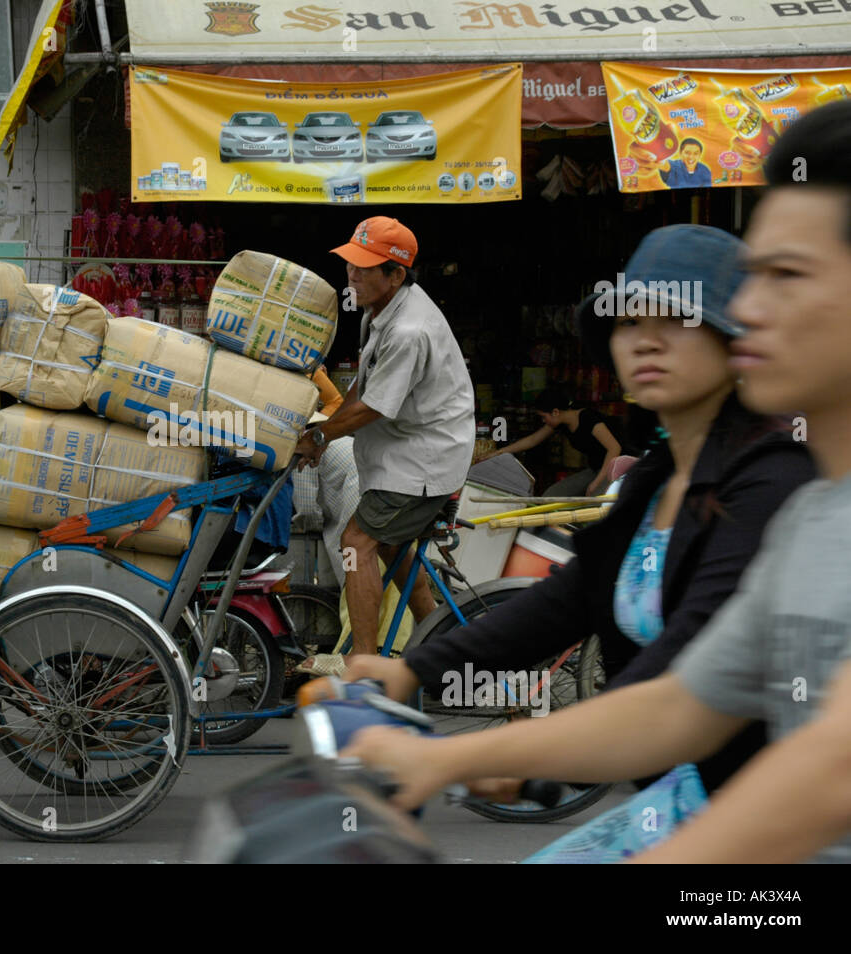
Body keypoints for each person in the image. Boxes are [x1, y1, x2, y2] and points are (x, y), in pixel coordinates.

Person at [345, 101, 851, 862]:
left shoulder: (774, 486)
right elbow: (675, 697)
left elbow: (824, 778)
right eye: (628, 317)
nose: (753, 306)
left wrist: (516, 754)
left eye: (788, 274)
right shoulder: (783, 507)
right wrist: (427, 710)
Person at [295, 216, 475, 657]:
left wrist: (319, 438)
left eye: (363, 267)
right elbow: (365, 384)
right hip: (400, 454)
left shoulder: (409, 330)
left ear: (396, 275)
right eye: (350, 264)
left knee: (356, 542)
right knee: (392, 545)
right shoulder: (379, 313)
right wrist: (325, 428)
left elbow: (374, 406)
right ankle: (439, 637)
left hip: (423, 464)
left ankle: (364, 658)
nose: (351, 275)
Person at [489, 388, 629, 496]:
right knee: (551, 496)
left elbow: (614, 448)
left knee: (594, 502)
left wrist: (597, 482)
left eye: (544, 417)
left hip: (616, 469)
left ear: (555, 412)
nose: (543, 421)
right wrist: (499, 452)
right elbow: (532, 440)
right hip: (595, 469)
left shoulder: (588, 418)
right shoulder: (561, 423)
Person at [630, 137, 712, 189]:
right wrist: (652, 158)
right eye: (687, 153)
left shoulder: (705, 171)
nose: (691, 157)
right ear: (680, 153)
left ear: (700, 155)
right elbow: (666, 165)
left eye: (695, 153)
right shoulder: (676, 166)